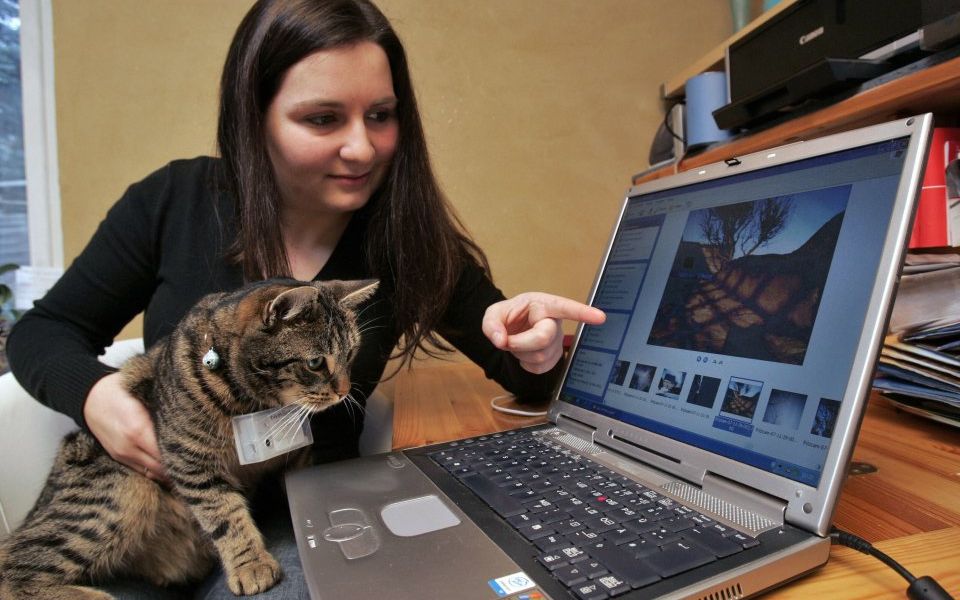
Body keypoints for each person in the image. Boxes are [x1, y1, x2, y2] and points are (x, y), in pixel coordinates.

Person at [7, 0, 605, 597]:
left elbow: (524, 379)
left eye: (381, 115)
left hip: (297, 522)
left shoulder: (408, 240)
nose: (362, 148)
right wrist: (95, 397)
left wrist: (532, 346)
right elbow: (43, 331)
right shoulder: (174, 201)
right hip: (153, 517)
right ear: (255, 116)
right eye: (323, 119)